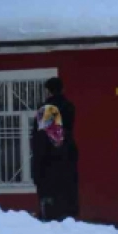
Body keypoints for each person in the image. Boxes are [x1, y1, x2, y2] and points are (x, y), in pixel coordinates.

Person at [30, 103, 79, 221]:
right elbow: (75, 156)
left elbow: (38, 160)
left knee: (50, 222)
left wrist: (37, 179)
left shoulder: (40, 136)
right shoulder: (66, 134)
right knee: (66, 221)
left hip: (48, 184)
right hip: (67, 184)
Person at [43, 77, 79, 217]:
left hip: (51, 157)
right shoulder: (69, 106)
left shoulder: (48, 109)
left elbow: (48, 136)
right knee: (68, 191)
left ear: (48, 91)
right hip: (68, 152)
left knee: (53, 196)